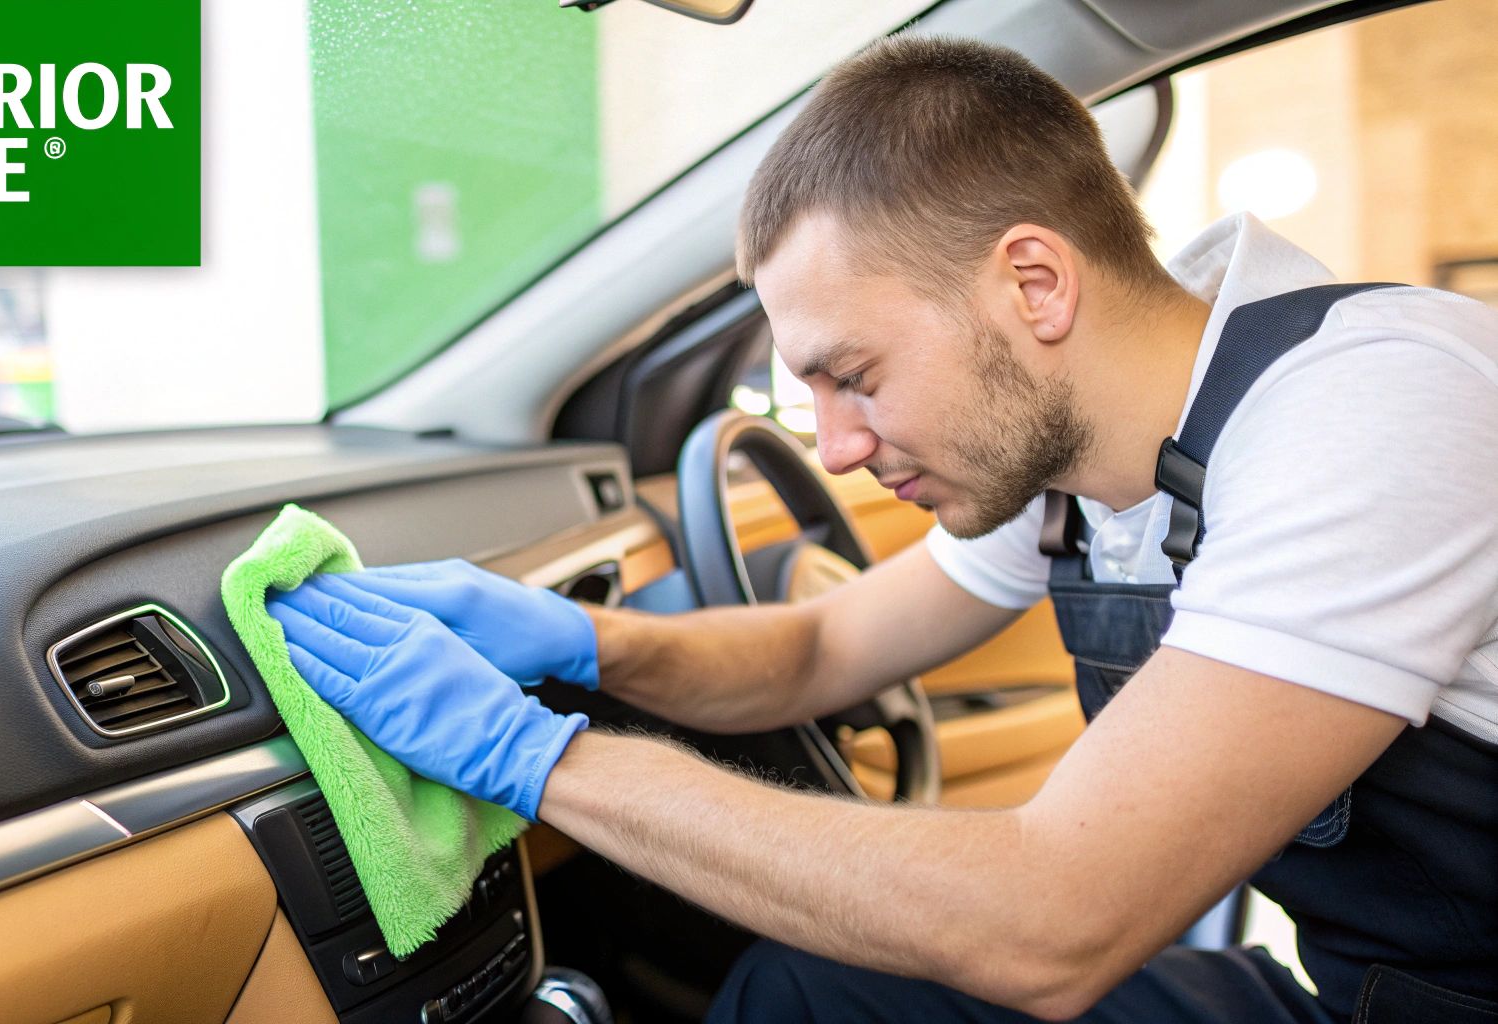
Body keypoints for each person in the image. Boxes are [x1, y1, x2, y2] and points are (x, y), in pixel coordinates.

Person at [266, 34, 1498, 1024]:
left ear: (1031, 284)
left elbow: (1054, 921)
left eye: (851, 373)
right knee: (811, 988)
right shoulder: (1079, 455)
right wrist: (583, 645)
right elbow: (817, 653)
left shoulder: (1375, 403)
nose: (838, 443)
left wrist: (539, 761)